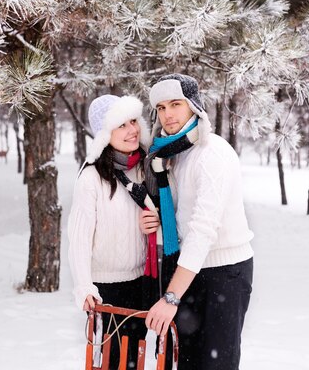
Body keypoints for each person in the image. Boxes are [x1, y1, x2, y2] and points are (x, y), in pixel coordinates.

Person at [141, 74, 254, 370]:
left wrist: (171, 297)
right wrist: (161, 222)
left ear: (194, 107)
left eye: (176, 104)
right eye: (162, 107)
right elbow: (184, 216)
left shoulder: (211, 153)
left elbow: (204, 229)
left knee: (216, 364)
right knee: (187, 363)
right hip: (190, 270)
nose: (168, 114)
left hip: (223, 273)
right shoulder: (172, 155)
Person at [67, 94, 152, 370]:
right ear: (105, 134)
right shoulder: (92, 177)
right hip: (106, 290)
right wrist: (84, 287)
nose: (132, 130)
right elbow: (79, 238)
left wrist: (151, 223)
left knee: (134, 361)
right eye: (121, 125)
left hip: (141, 283)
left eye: (133, 121)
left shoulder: (145, 167)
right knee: (111, 363)